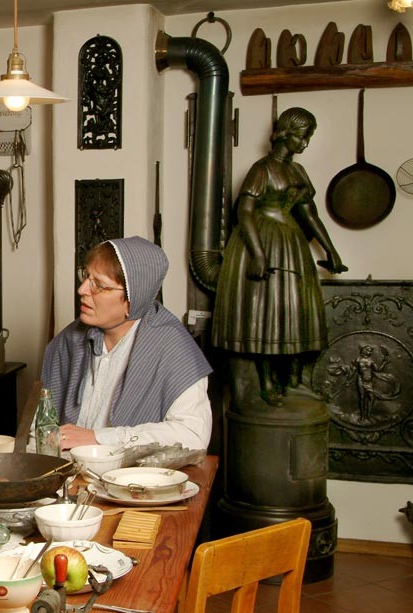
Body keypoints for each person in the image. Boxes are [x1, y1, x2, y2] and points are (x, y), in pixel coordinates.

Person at [211, 107, 347, 408]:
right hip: (265, 240)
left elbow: (308, 213)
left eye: (308, 136)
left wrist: (330, 250)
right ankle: (268, 382)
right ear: (286, 133)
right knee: (267, 316)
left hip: (292, 244)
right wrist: (257, 253)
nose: (305, 143)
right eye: (302, 135)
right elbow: (244, 212)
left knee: (297, 313)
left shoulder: (298, 172)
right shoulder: (263, 169)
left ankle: (295, 382)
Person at [41, 237, 213, 452]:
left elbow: (193, 435)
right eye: (86, 276)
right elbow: (41, 425)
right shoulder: (69, 340)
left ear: (133, 299)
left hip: (137, 480)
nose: (82, 289)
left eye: (99, 286)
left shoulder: (173, 348)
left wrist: (99, 438)